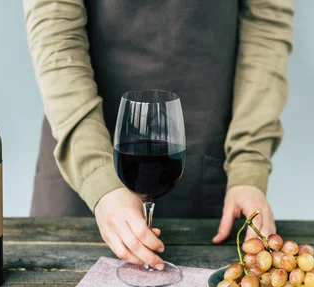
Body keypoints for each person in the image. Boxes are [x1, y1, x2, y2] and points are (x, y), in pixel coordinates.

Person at [23, 0, 293, 270]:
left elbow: (266, 26)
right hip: (84, 152)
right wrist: (99, 180)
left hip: (205, 158)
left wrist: (249, 164)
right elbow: (56, 35)